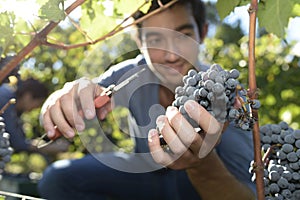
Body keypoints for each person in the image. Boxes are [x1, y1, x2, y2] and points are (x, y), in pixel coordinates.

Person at [37, 0, 256, 199]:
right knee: (57, 179)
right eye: (155, 39)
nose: (171, 54)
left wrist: (202, 167)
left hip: (198, 188)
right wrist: (59, 102)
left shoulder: (227, 95)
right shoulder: (132, 73)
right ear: (138, 41)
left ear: (203, 33)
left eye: (183, 36)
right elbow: (83, 94)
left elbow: (247, 195)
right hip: (145, 175)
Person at [0, 78, 69, 159]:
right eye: (38, 103)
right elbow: (17, 143)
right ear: (28, 96)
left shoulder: (16, 110)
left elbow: (21, 139)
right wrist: (49, 148)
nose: (36, 108)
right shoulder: (5, 101)